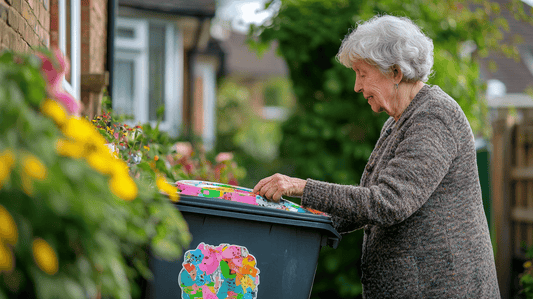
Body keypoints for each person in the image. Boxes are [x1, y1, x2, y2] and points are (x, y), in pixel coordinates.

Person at [253, 15, 500, 298]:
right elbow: (366, 203)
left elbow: (390, 203)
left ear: (395, 72)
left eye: (362, 73)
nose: (357, 86)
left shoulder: (434, 117)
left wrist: (303, 188)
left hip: (444, 289)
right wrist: (298, 217)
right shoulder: (398, 121)